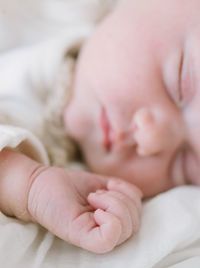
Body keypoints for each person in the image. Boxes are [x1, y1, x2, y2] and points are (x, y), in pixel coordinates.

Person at [0, 0, 199, 253]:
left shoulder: (94, 202)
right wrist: (25, 184)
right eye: (178, 83)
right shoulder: (30, 18)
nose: (150, 140)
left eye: (184, 165)